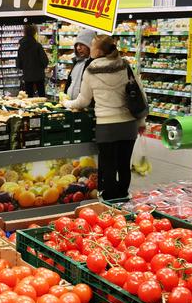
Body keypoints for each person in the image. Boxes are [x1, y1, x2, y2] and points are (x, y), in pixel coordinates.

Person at [62, 35, 146, 201]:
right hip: (128, 124)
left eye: (92, 45)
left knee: (108, 165)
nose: (90, 48)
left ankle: (110, 200)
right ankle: (123, 198)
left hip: (106, 126)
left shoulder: (91, 70)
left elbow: (83, 101)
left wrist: (66, 103)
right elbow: (139, 92)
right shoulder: (124, 65)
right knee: (124, 165)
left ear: (99, 51)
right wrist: (141, 120)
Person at [17, 24, 49, 97]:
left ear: (24, 32)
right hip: (39, 76)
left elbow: (19, 64)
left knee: (28, 98)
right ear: (34, 32)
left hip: (27, 76)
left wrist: (26, 67)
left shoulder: (21, 47)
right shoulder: (37, 46)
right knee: (41, 97)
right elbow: (45, 61)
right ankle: (43, 108)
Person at [65, 28, 96, 99]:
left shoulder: (94, 64)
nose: (78, 48)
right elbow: (70, 83)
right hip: (70, 105)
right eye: (77, 45)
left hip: (86, 108)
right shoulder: (76, 62)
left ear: (90, 45)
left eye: (82, 44)